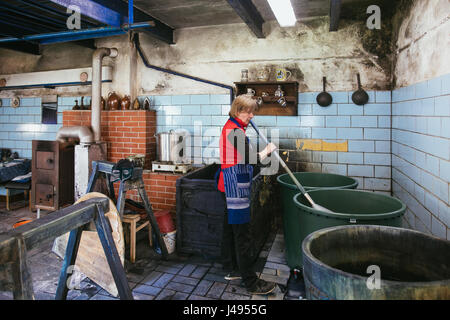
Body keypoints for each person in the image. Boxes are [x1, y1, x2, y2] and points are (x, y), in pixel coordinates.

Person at [216, 94, 277, 295]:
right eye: (247, 111)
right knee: (242, 233)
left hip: (231, 182)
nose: (251, 115)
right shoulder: (235, 131)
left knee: (230, 227)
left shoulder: (234, 127)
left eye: (253, 111)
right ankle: (251, 282)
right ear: (237, 110)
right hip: (235, 186)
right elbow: (252, 159)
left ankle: (233, 268)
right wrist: (268, 150)